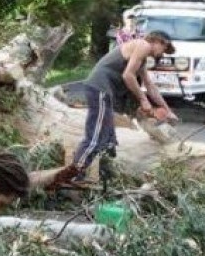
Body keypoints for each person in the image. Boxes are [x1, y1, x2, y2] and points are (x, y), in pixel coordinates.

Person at [62, 31, 178, 185]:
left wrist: (167, 110)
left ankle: (106, 180)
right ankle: (73, 174)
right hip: (100, 89)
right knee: (96, 137)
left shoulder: (141, 59)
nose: (162, 53)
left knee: (109, 140)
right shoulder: (143, 45)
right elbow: (128, 75)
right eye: (164, 48)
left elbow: (150, 86)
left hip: (105, 92)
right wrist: (143, 100)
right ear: (158, 41)